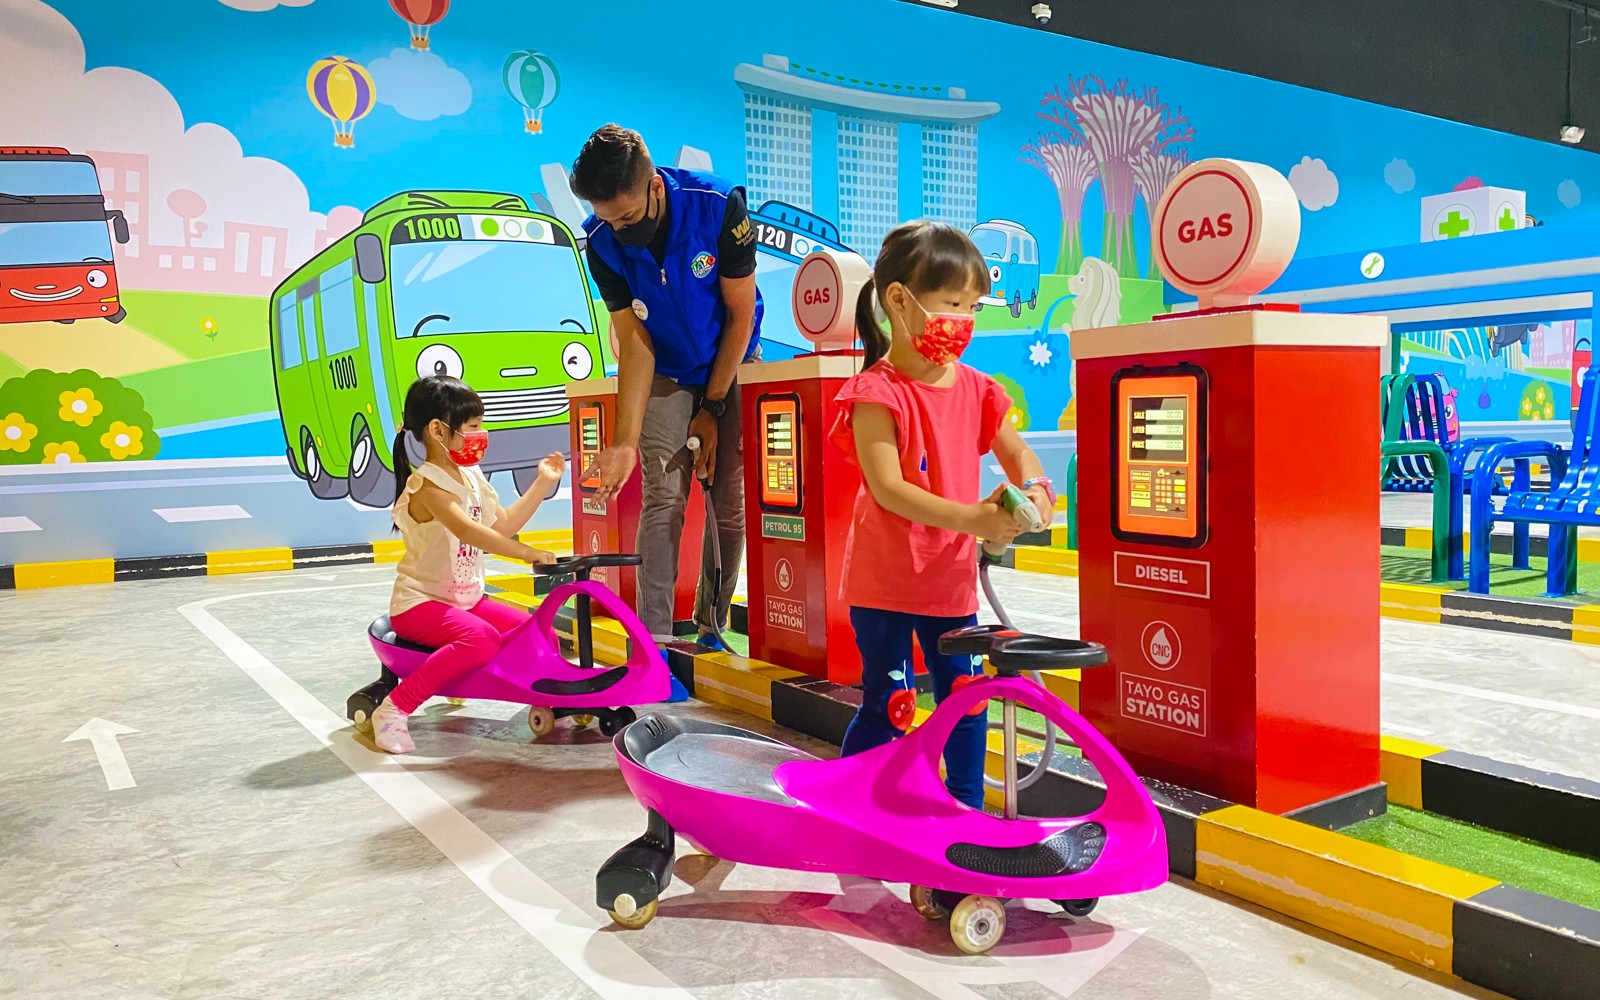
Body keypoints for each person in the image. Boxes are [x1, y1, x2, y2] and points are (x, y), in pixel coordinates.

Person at [828, 221, 1057, 810]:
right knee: (891, 703)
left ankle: (964, 811)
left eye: (972, 305)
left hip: (949, 584)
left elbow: (1016, 450)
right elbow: (888, 489)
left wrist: (1034, 487)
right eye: (951, 303)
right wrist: (975, 521)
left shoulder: (979, 389)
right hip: (883, 583)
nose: (963, 319)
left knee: (966, 698)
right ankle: (856, 804)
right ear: (900, 300)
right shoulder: (874, 392)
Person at [568, 124, 762, 648]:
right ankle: (650, 640)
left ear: (654, 185)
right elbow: (632, 343)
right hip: (666, 369)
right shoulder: (601, 242)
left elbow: (740, 313)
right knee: (664, 497)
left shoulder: (717, 205)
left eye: (627, 215)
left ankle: (710, 625)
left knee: (729, 501)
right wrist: (625, 443)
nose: (620, 228)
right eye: (608, 218)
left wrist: (716, 406)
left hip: (733, 357)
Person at [368, 376, 564, 754]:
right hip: (420, 603)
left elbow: (501, 525)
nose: (481, 434)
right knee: (480, 638)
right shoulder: (427, 485)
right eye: (472, 427)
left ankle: (544, 698)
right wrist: (527, 554)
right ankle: (395, 708)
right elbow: (468, 530)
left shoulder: (471, 476)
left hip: (467, 600)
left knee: (539, 631)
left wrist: (542, 483)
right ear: (438, 430)